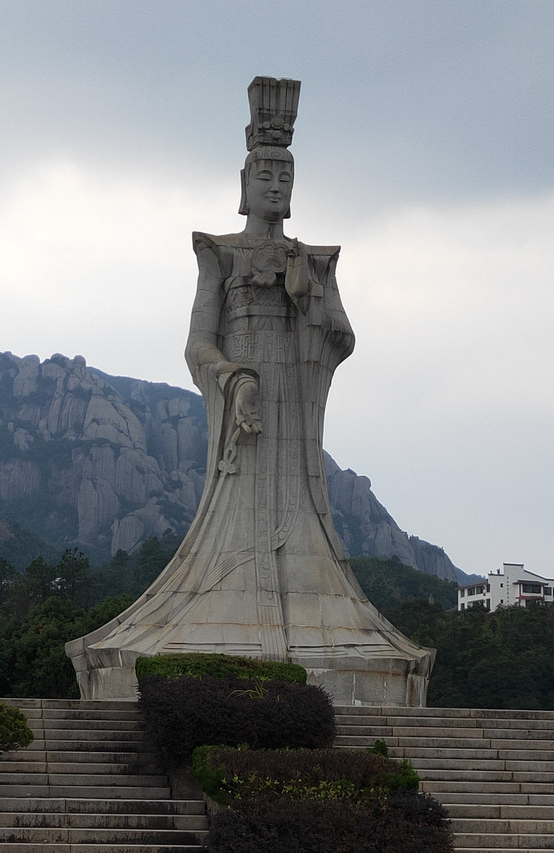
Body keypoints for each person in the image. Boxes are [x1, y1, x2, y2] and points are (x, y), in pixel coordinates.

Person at [66, 78, 434, 702]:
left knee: (297, 511)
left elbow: (341, 339)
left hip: (292, 423)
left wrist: (307, 299)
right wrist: (233, 377)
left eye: (286, 175)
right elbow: (197, 344)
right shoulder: (221, 254)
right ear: (244, 182)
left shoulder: (312, 262)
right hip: (243, 412)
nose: (276, 184)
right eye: (265, 173)